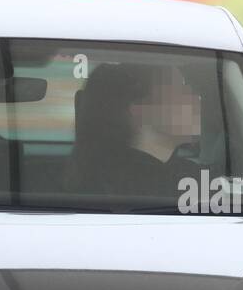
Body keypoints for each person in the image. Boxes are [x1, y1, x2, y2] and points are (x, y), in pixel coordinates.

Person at [64, 61, 202, 202]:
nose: (196, 97)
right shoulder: (153, 188)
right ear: (139, 108)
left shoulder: (99, 178)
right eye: (180, 88)